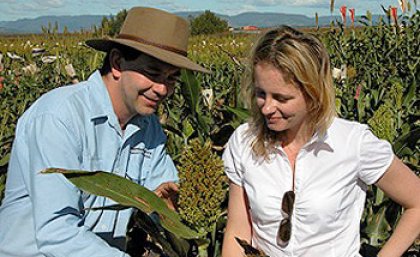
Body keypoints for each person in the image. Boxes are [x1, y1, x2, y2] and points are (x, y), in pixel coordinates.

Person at [0, 7, 208, 257]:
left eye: (172, 78)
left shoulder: (148, 128)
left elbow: (164, 199)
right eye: (152, 73)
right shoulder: (59, 117)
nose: (163, 89)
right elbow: (57, 232)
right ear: (117, 63)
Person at [221, 26, 420, 257]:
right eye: (260, 94)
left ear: (313, 92)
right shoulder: (244, 141)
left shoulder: (352, 143)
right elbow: (238, 229)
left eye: (281, 98)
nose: (266, 108)